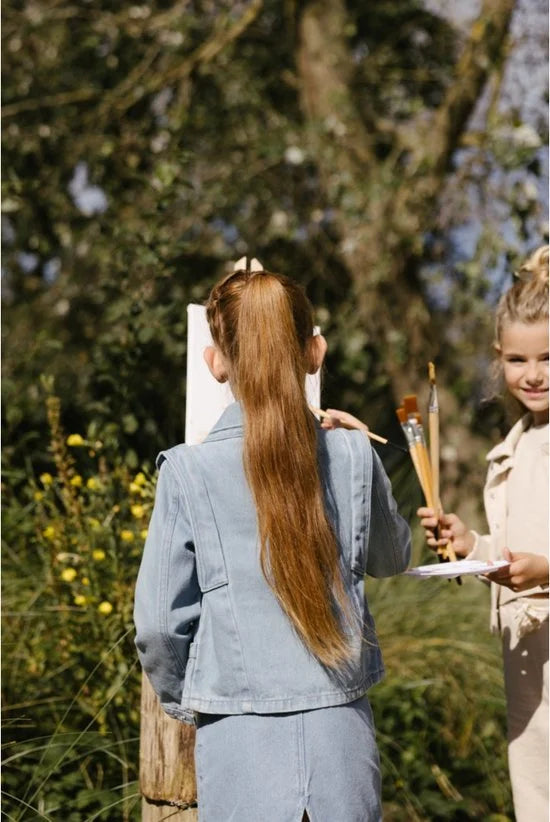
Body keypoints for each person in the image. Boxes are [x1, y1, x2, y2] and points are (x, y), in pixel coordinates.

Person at [133, 266, 411, 822]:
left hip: (238, 741)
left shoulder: (187, 472)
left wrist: (192, 699)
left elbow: (159, 626)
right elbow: (392, 557)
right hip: (342, 742)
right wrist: (359, 449)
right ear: (314, 352)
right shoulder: (353, 455)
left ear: (216, 362)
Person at [417, 245, 549, 822]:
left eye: (548, 357)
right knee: (536, 795)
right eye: (518, 359)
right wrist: (472, 545)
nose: (534, 374)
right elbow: (516, 551)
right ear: (499, 358)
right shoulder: (514, 447)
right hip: (528, 660)